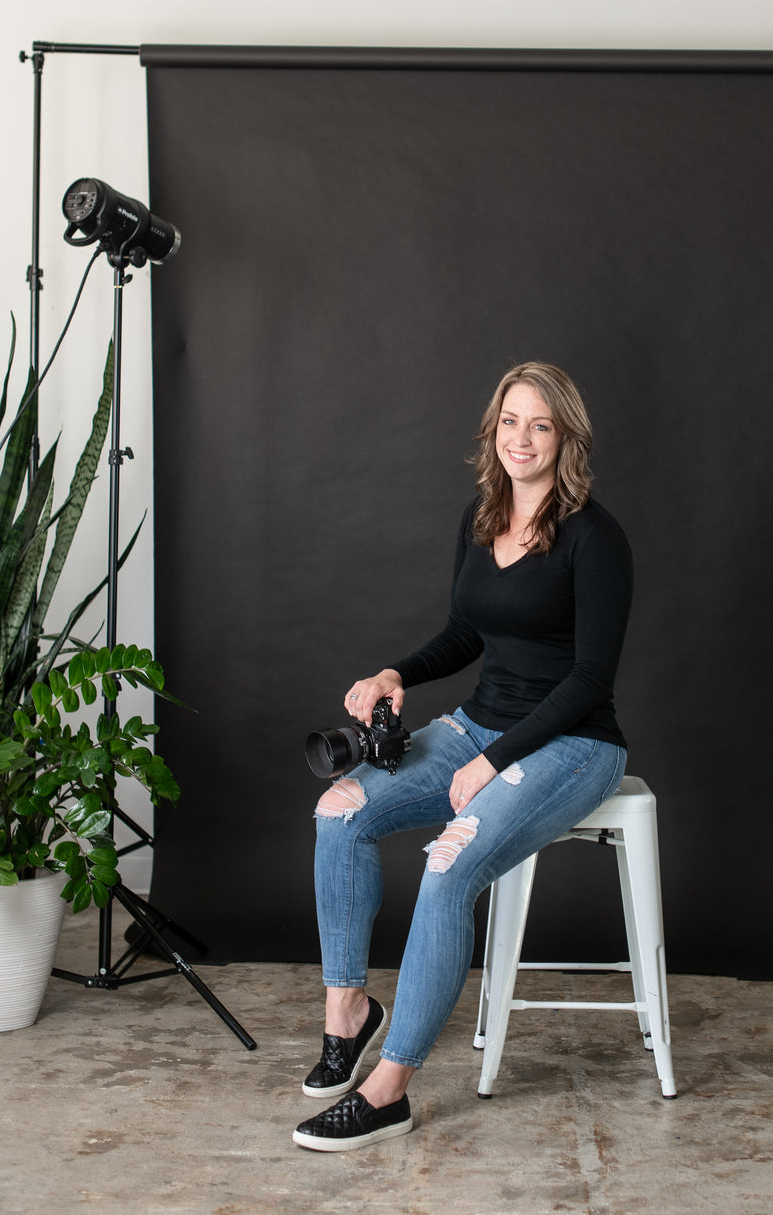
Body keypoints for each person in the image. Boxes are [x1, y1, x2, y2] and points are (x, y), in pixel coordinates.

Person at [293, 362, 633, 1152]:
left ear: (565, 437)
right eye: (510, 421)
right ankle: (348, 1011)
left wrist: (494, 761)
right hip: (478, 728)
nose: (522, 438)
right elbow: (467, 634)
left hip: (575, 744)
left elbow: (590, 679)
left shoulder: (594, 535)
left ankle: (389, 1090)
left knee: (450, 863)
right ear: (493, 431)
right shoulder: (481, 519)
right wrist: (393, 673)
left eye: (540, 425)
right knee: (339, 810)